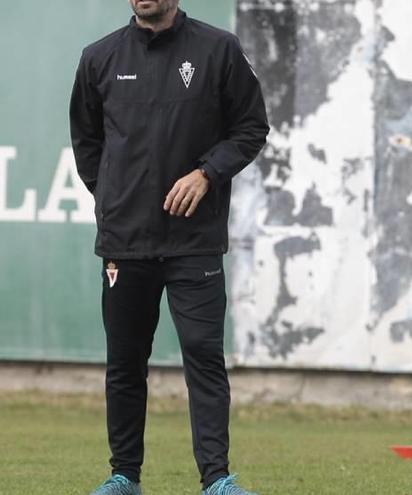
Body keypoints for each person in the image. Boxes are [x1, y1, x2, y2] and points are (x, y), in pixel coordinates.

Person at [70, 1, 270, 494]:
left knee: (203, 356)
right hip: (126, 240)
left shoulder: (218, 49)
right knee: (125, 362)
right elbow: (87, 142)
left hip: (194, 241)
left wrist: (207, 173)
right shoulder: (99, 58)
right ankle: (124, 477)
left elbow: (251, 127)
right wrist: (116, 198)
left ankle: (217, 481)